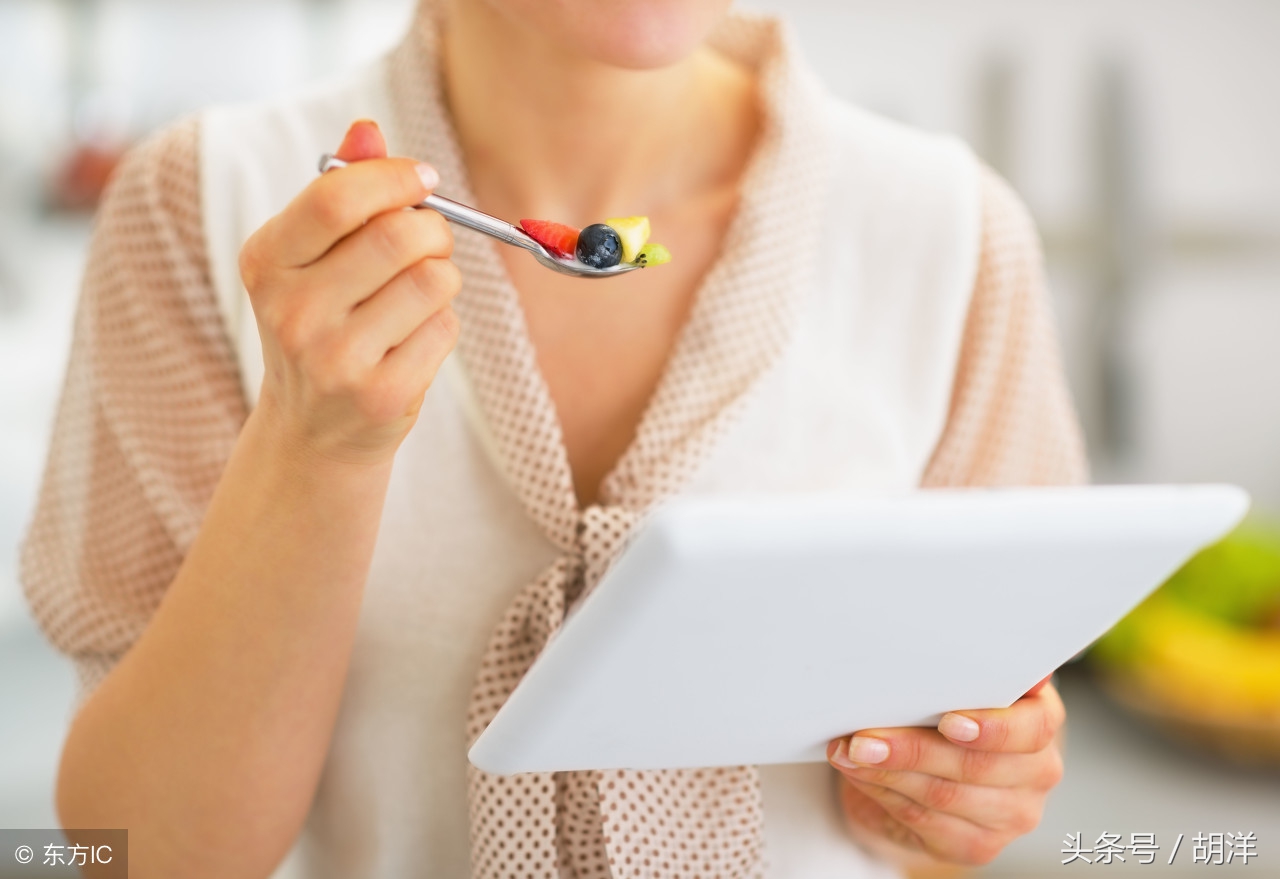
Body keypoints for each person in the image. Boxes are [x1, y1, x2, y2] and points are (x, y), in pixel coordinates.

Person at [21, 0, 1086, 876]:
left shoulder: (950, 235)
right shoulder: (207, 205)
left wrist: (942, 800)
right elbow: (142, 855)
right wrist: (313, 446)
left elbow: (943, 801)